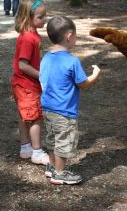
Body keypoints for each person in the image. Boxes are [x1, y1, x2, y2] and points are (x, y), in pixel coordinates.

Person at [39, 15, 101, 185]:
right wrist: (95, 75)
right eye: (75, 36)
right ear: (69, 36)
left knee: (52, 138)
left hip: (47, 108)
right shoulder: (72, 61)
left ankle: (51, 167)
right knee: (64, 141)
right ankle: (59, 173)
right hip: (64, 111)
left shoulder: (46, 57)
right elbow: (83, 83)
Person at [12, 0, 50, 165]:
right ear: (28, 17)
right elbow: (22, 65)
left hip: (24, 84)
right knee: (35, 117)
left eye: (44, 16)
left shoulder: (32, 34)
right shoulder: (28, 38)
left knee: (24, 115)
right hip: (27, 85)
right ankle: (37, 151)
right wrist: (41, 76)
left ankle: (25, 147)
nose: (44, 20)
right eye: (40, 17)